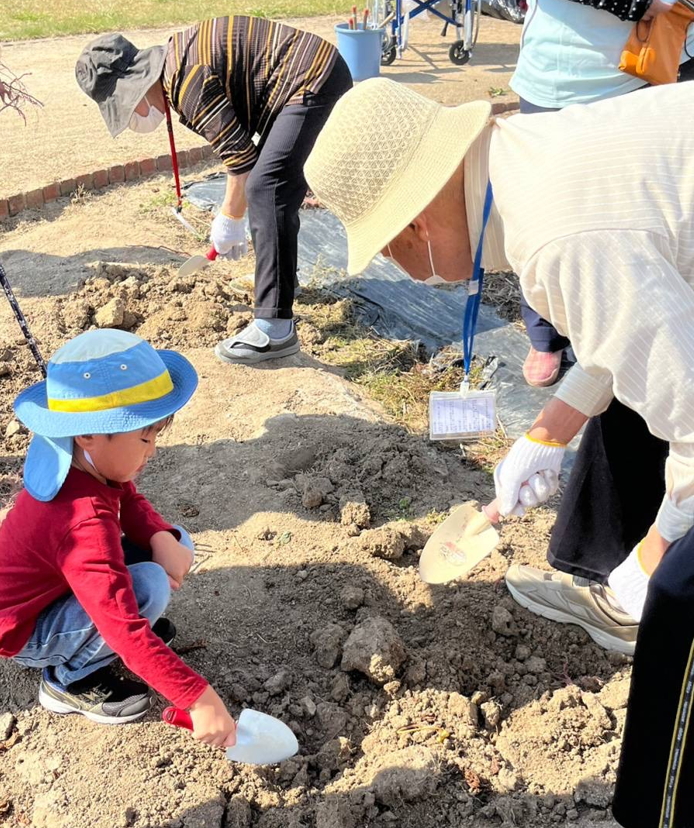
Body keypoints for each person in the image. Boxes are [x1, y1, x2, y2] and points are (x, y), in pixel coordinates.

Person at [304, 77, 694, 828]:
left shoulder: (556, 236)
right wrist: (548, 431)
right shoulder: (534, 162)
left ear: (414, 224)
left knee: (679, 618)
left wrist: (653, 558)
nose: (403, 270)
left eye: (387, 249)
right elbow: (637, 322)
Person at [0, 329, 235, 747]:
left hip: (50, 588)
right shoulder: (81, 520)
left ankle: (91, 646)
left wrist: (159, 535)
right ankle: (67, 681)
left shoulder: (75, 456)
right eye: (145, 436)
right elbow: (122, 627)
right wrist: (198, 699)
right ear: (88, 434)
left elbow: (123, 492)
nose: (153, 450)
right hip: (23, 629)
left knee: (175, 541)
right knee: (147, 587)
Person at [75, 18, 352, 365]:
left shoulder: (185, 81)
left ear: (136, 84)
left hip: (311, 80)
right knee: (273, 184)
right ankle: (283, 286)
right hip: (310, 75)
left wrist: (229, 218)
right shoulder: (177, 65)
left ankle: (274, 329)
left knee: (267, 188)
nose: (135, 115)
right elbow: (243, 150)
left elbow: (242, 162)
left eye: (128, 105)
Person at [511, 0, 694, 387]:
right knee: (547, 208)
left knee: (643, 210)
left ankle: (634, 332)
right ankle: (548, 331)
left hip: (660, 63)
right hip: (565, 69)